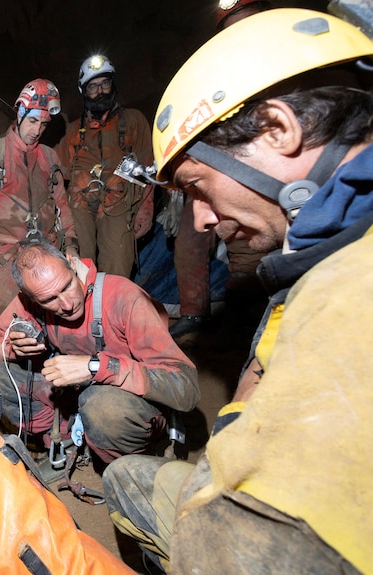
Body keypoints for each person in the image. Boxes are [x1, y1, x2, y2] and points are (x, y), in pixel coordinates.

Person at [101, 9, 373, 573]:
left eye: (197, 186)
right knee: (127, 477)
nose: (199, 219)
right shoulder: (322, 252)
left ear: (279, 130)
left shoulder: (352, 286)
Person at [0, 240, 199, 467]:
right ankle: (63, 441)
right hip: (73, 397)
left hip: (129, 403)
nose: (65, 304)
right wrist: (13, 348)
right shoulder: (31, 300)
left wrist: (95, 367)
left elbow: (185, 389)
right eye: (49, 300)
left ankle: (128, 465)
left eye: (66, 286)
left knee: (101, 407)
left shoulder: (124, 297)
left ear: (72, 265)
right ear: (31, 298)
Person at [169, 0, 274, 341]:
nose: (240, 33)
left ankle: (247, 322)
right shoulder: (217, 71)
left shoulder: (280, 63)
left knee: (245, 251)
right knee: (189, 244)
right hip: (209, 170)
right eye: (231, 26)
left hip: (253, 173)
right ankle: (195, 314)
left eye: (246, 22)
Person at [0, 79, 79, 343]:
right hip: (7, 252)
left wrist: (71, 244)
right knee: (0, 321)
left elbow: (62, 204)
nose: (37, 131)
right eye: (33, 121)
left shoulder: (50, 157)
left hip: (46, 250)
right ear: (20, 113)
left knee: (56, 318)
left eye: (44, 124)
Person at [56, 54, 153, 279]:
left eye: (105, 84)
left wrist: (146, 208)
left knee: (118, 270)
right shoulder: (73, 131)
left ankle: (111, 313)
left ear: (113, 85)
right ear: (84, 92)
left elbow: (148, 168)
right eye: (93, 87)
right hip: (80, 206)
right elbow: (54, 171)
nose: (100, 91)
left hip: (118, 204)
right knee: (77, 269)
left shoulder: (133, 121)